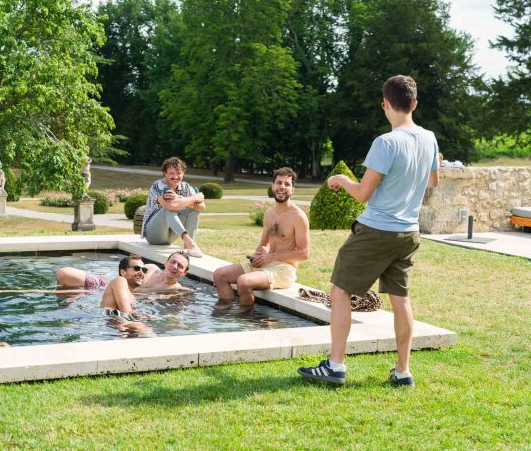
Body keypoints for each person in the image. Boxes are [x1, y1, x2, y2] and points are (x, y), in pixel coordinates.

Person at [297, 75, 439, 387]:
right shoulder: (429, 138)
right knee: (400, 298)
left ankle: (336, 366)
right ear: (414, 104)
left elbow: (362, 193)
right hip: (409, 234)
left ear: (385, 104)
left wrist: (341, 181)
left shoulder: (386, 143)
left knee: (340, 291)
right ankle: (403, 371)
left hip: (377, 231)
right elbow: (432, 182)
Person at [212, 167, 310, 305]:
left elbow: (304, 253)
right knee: (219, 275)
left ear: (292, 190)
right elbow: (264, 244)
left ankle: (246, 320)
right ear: (273, 186)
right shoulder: (269, 214)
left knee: (243, 281)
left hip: (284, 270)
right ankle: (227, 311)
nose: (282, 187)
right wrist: (260, 253)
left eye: (287, 184)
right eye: (279, 182)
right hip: (265, 264)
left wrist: (271, 257)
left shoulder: (298, 217)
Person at [141, 157, 206, 258]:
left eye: (179, 173)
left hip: (170, 236)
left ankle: (188, 248)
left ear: (183, 173)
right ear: (165, 173)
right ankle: (190, 243)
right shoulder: (159, 185)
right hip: (153, 234)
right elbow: (170, 206)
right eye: (171, 173)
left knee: (194, 210)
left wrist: (181, 198)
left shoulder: (186, 187)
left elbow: (201, 207)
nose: (175, 176)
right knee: (168, 209)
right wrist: (195, 197)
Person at [55, 251, 191, 293]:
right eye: (173, 262)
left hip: (114, 298)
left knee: (66, 291)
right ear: (166, 263)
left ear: (184, 273)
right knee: (63, 273)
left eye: (180, 266)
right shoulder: (150, 268)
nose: (174, 266)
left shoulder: (176, 291)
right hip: (105, 285)